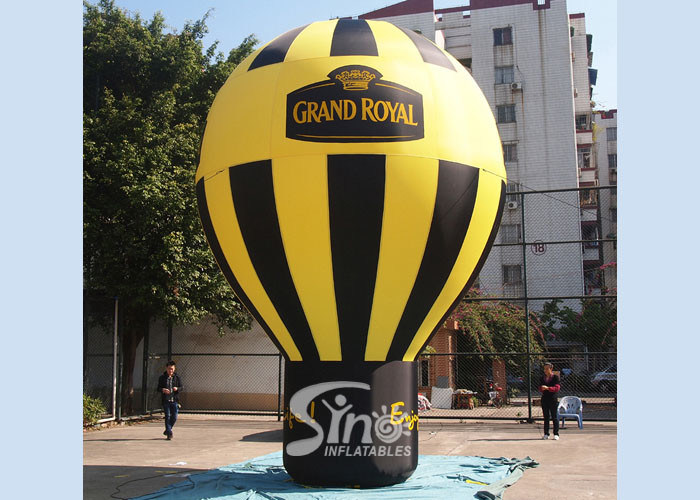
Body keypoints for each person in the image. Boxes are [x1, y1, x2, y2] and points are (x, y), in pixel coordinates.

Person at [157, 360, 183, 440]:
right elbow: (158, 388)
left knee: (174, 417)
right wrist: (163, 390)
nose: (170, 370)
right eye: (169, 369)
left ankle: (167, 429)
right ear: (166, 369)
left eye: (172, 369)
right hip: (166, 400)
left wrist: (177, 389)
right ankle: (169, 433)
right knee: (167, 416)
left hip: (174, 400)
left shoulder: (177, 378)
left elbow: (181, 387)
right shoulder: (162, 378)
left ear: (174, 369)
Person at [538, 362, 561, 440]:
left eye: (547, 369)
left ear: (551, 369)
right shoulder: (542, 378)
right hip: (544, 399)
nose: (545, 370)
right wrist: (542, 388)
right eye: (544, 369)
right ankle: (546, 433)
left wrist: (548, 388)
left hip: (553, 399)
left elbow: (557, 388)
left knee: (554, 417)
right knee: (546, 417)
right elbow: (539, 387)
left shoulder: (555, 377)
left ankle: (556, 434)